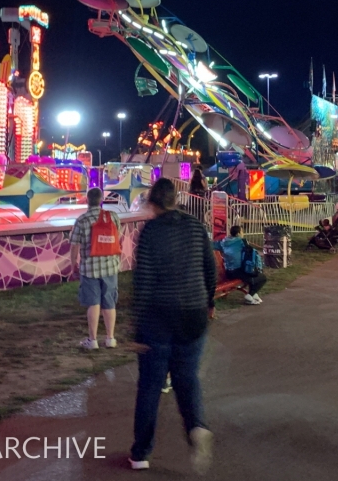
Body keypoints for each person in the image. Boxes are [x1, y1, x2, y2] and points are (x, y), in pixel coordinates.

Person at [130, 177, 215, 473]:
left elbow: (143, 281)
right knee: (187, 378)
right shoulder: (195, 226)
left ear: (154, 203)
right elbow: (209, 266)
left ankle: (141, 453)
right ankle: (197, 427)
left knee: (151, 386)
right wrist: (210, 301)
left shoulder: (150, 232)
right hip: (194, 314)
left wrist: (137, 327)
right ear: (176, 199)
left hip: (159, 317)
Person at [70, 187, 122, 350]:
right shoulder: (113, 217)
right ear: (101, 200)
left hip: (90, 268)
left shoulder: (82, 220)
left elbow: (74, 245)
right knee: (109, 303)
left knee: (93, 304)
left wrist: (73, 264)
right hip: (110, 266)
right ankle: (110, 338)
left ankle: (92, 340)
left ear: (87, 200)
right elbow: (116, 237)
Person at [214, 225, 267, 304]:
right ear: (238, 233)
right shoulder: (241, 241)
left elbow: (213, 245)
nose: (243, 233)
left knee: (253, 276)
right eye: (242, 232)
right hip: (238, 271)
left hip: (229, 272)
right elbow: (250, 253)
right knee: (262, 278)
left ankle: (253, 295)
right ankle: (250, 295)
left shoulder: (224, 242)